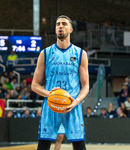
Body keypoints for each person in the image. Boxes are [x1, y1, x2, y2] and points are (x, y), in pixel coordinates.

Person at [31, 15, 89, 150]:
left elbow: (85, 85)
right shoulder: (45, 54)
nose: (60, 26)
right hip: (51, 107)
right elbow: (34, 85)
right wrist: (49, 94)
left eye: (64, 24)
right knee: (43, 146)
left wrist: (76, 101)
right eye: (58, 24)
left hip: (72, 106)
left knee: (80, 147)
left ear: (71, 29)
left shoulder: (80, 54)